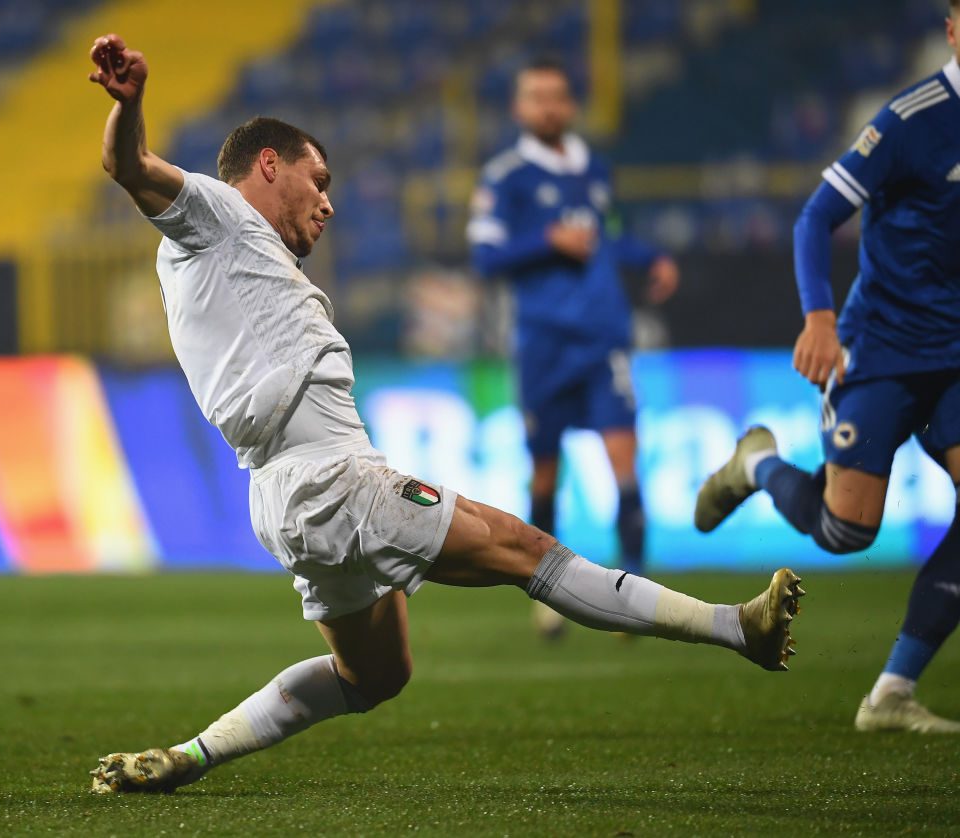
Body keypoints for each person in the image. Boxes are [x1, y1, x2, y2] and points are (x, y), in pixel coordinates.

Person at [85, 34, 803, 794]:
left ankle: (188, 757)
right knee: (530, 552)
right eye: (317, 179)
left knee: (375, 675)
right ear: (269, 166)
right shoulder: (221, 215)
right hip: (331, 481)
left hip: (285, 497)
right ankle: (738, 628)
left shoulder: (234, 260)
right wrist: (131, 105)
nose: (327, 201)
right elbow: (129, 168)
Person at [694, 6, 960, 734]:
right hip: (882, 353)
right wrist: (818, 319)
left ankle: (891, 693)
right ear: (952, 29)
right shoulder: (911, 120)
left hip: (957, 360)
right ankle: (759, 466)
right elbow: (815, 217)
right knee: (848, 532)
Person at [467, 59, 679, 639]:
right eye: (537, 98)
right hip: (542, 345)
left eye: (557, 97)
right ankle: (548, 594)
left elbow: (606, 237)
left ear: (570, 105)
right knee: (544, 474)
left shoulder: (593, 167)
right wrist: (546, 240)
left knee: (624, 462)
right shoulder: (505, 177)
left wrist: (650, 259)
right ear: (519, 109)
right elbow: (486, 257)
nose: (549, 107)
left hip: (603, 337)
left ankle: (637, 596)